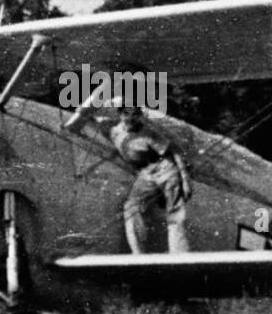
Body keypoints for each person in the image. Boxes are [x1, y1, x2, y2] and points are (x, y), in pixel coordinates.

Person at [68, 97, 191, 254]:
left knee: (174, 211)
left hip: (166, 169)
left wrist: (185, 180)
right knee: (131, 207)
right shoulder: (111, 129)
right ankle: (138, 253)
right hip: (146, 173)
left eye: (136, 114)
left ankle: (179, 253)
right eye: (127, 113)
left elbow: (174, 151)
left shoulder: (148, 133)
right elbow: (85, 115)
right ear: (120, 114)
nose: (131, 118)